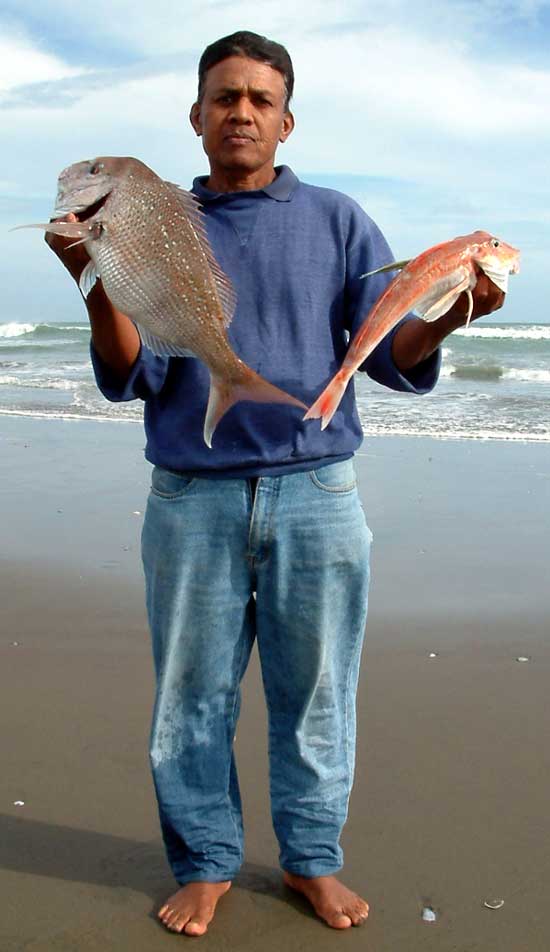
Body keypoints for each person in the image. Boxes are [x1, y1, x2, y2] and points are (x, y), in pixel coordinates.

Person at [47, 30, 504, 937]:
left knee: (318, 694)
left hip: (318, 494)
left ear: (286, 121)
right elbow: (128, 374)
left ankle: (310, 859)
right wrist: (95, 282)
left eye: (260, 99)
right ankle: (208, 862)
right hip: (191, 494)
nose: (242, 112)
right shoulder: (149, 218)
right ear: (196, 116)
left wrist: (450, 315)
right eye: (225, 97)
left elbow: (391, 357)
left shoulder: (336, 219)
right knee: (191, 699)